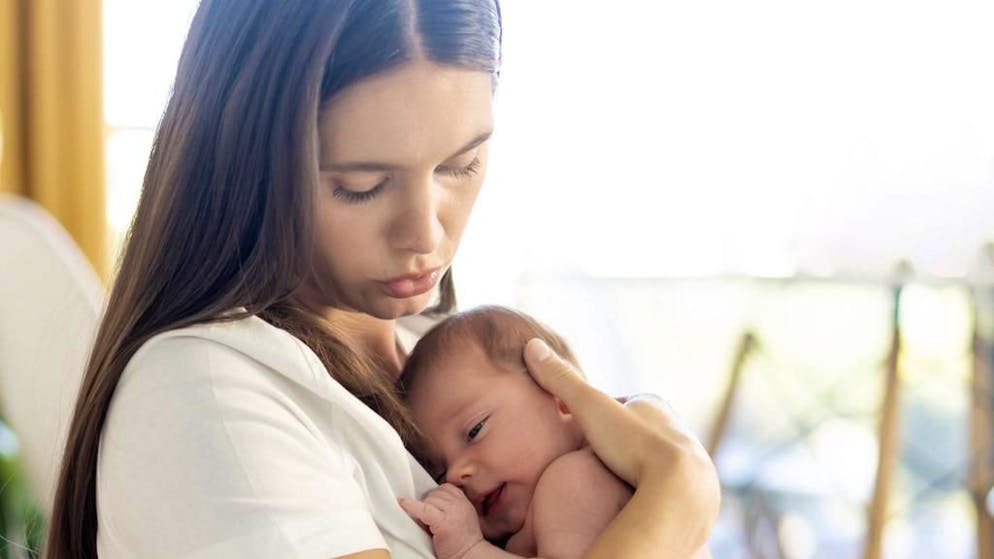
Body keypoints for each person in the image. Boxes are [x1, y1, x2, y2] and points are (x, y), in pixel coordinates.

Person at [46, 2, 720, 559]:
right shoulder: (209, 392)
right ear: (246, 164)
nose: (426, 235)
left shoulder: (444, 356)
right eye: (362, 186)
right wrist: (678, 497)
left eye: (461, 165)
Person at [396, 306, 712, 559]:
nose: (455, 474)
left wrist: (469, 549)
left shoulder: (572, 481)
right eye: (438, 472)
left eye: (475, 431)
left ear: (560, 397)